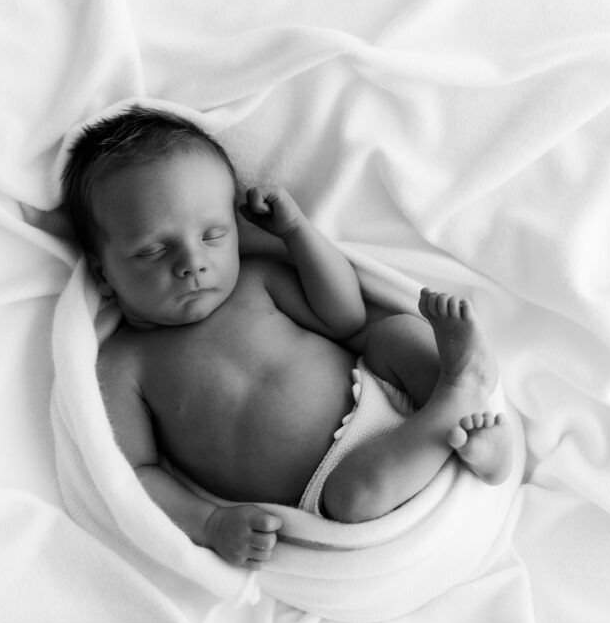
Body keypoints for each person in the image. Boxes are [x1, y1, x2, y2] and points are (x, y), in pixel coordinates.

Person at [60, 105, 513, 569]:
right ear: (104, 272)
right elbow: (136, 474)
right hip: (331, 484)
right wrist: (211, 524)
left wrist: (297, 233)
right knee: (355, 497)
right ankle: (458, 413)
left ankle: (485, 444)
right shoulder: (121, 364)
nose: (191, 261)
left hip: (381, 391)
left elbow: (346, 318)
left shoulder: (255, 281)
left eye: (214, 235)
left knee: (393, 335)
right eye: (153, 250)